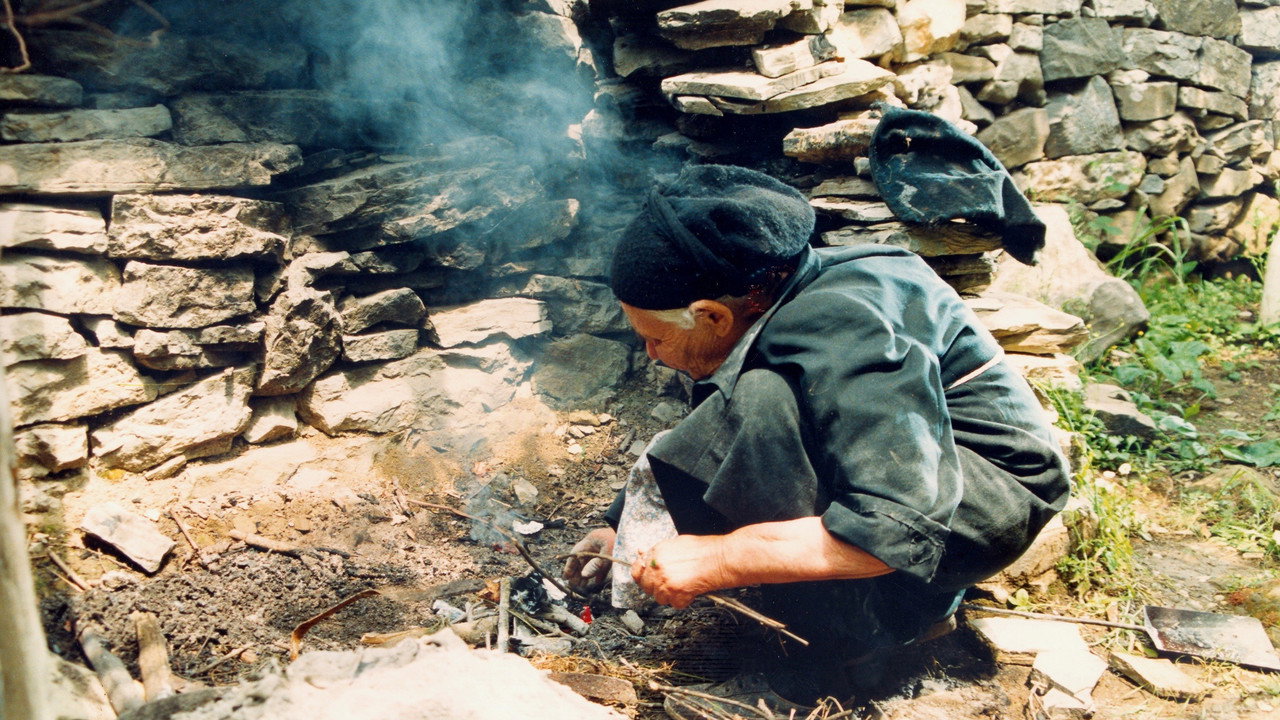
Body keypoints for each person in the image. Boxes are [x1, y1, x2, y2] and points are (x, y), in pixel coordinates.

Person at [563, 114, 1070, 717]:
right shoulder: (782, 292)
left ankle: (834, 665)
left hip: (987, 498)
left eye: (653, 336)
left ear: (713, 316)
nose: (650, 352)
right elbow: (715, 431)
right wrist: (630, 524)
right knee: (754, 403)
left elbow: (898, 525)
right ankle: (906, 613)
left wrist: (721, 558)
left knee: (763, 405)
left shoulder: (844, 329)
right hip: (933, 473)